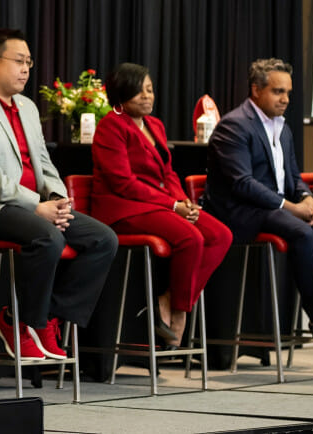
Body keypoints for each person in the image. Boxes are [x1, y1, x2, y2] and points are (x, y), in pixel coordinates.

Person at [0, 28, 118, 360]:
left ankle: (44, 317)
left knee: (103, 239)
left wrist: (56, 198)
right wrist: (37, 206)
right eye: (19, 61)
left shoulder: (27, 107)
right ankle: (22, 322)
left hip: (31, 205)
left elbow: (44, 163)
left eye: (29, 62)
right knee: (48, 237)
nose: (26, 69)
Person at [204, 58, 313, 351]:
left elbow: (292, 176)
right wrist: (290, 207)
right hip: (241, 212)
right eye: (277, 92)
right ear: (256, 90)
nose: (285, 100)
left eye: (288, 93)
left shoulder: (282, 127)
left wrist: (306, 198)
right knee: (302, 232)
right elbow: (242, 183)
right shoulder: (234, 126)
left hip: (275, 208)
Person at [91, 63, 232, 348]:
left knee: (220, 236)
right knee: (190, 237)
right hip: (123, 208)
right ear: (121, 94)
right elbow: (123, 184)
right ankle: (179, 313)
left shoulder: (154, 125)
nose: (148, 97)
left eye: (150, 90)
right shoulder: (110, 127)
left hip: (157, 204)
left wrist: (183, 201)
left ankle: (172, 300)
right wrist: (172, 205)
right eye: (139, 91)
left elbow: (168, 172)